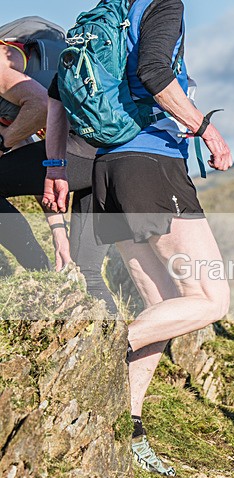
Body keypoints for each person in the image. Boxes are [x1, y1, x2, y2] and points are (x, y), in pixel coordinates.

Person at [45, 0, 233, 476]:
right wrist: (205, 128)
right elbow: (154, 71)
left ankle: (126, 426)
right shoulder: (162, 4)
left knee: (164, 306)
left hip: (109, 170)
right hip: (150, 163)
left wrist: (55, 166)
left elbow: (54, 100)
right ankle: (96, 352)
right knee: (212, 298)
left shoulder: (95, 19)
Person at [0, 17, 115, 311]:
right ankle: (121, 350)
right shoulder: (12, 111)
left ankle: (34, 266)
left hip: (87, 152)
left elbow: (39, 104)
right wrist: (58, 236)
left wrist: (3, 143)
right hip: (110, 157)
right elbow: (39, 173)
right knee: (86, 273)